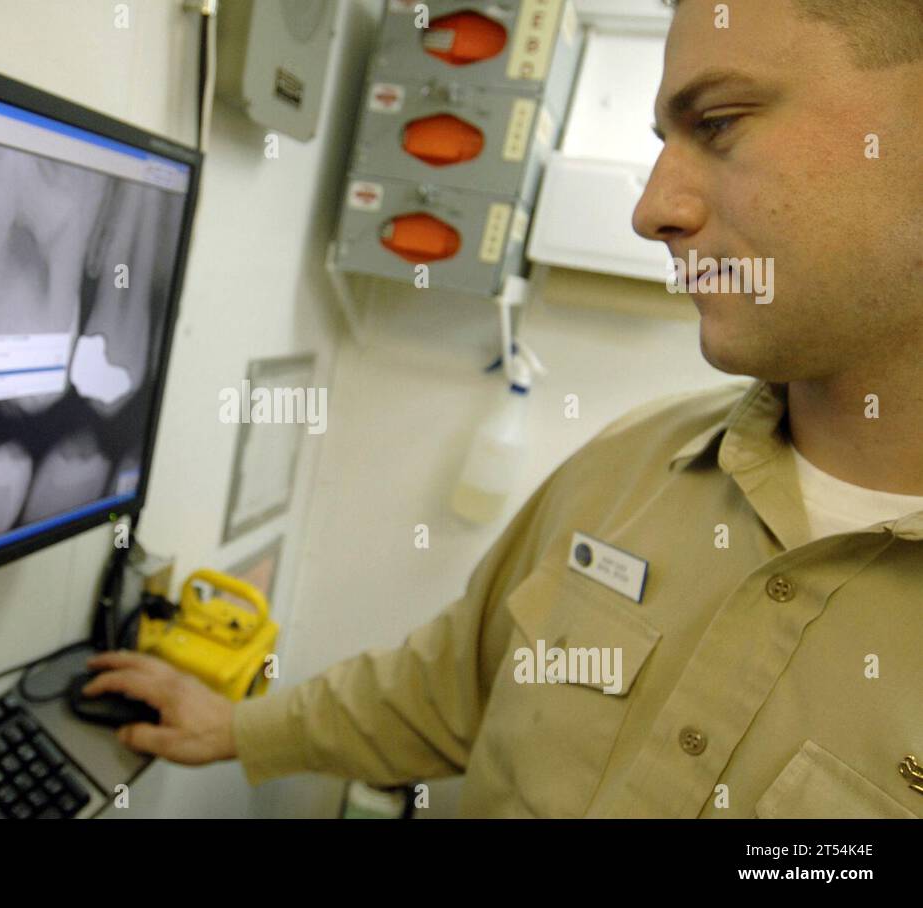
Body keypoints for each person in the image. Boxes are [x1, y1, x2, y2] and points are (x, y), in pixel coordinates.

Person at [82, 0, 923, 817]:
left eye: (720, 122)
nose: (653, 211)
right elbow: (451, 689)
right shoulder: (636, 465)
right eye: (662, 143)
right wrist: (239, 726)